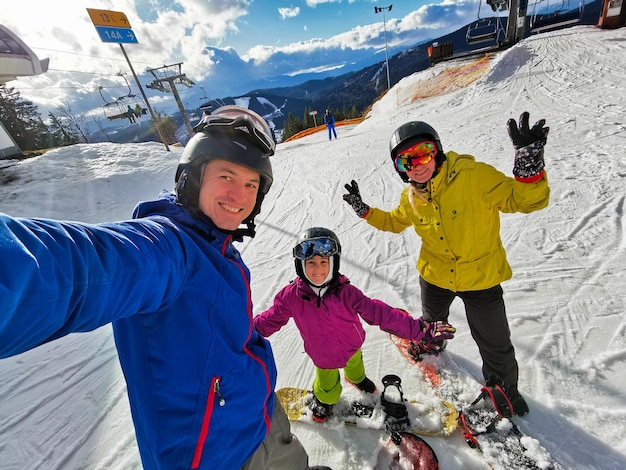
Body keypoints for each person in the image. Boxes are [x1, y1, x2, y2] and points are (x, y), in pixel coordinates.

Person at [0, 105, 330, 470]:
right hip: (222, 458)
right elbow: (70, 264)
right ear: (193, 178)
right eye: (227, 176)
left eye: (251, 184)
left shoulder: (219, 249)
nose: (240, 195)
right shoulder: (168, 248)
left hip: (262, 420)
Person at [342, 112, 551, 416]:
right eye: (406, 161)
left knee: (495, 344)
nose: (418, 164)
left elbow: (525, 200)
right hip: (436, 275)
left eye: (424, 152)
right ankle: (430, 345)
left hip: (480, 278)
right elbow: (392, 222)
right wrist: (364, 211)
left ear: (437, 150)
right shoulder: (410, 197)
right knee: (432, 321)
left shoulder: (473, 175)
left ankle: (504, 391)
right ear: (400, 170)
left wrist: (529, 171)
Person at [254, 227, 456, 422]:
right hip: (323, 357)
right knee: (329, 392)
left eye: (323, 262)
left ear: (333, 263)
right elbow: (270, 319)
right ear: (301, 265)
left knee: (356, 370)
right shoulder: (292, 297)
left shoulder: (347, 293)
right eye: (311, 263)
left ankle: (357, 379)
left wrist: (421, 329)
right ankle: (322, 399)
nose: (318, 270)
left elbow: (382, 314)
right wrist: (242, 333)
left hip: (352, 346)